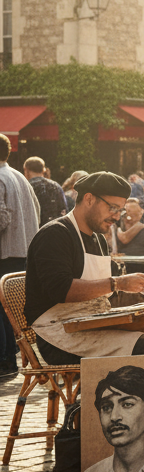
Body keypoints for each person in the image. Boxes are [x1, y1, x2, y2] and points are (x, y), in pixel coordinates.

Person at [25, 172, 144, 365]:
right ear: (89, 199)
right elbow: (61, 290)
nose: (116, 216)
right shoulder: (55, 235)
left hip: (92, 321)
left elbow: (109, 288)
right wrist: (117, 283)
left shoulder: (98, 239)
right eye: (113, 208)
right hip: (58, 334)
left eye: (120, 211)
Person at [0, 135, 40, 380]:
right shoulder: (19, 176)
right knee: (10, 310)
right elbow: (36, 210)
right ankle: (9, 359)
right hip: (23, 250)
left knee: (3, 309)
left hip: (5, 252)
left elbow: (1, 218)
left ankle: (5, 361)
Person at [24, 157, 66, 226]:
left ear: (26, 170)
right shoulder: (56, 186)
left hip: (34, 229)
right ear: (43, 170)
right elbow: (64, 211)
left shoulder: (26, 187)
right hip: (54, 229)